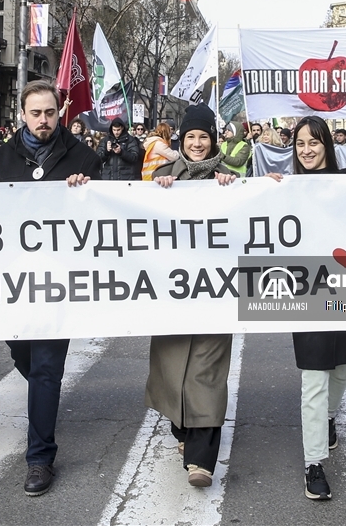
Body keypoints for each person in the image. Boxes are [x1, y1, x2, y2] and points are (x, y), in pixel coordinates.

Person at [0, 80, 101, 497]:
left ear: (60, 112)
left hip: (59, 281)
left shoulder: (84, 158)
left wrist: (88, 192)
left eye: (50, 113)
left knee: (45, 366)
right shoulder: (0, 158)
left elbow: (106, 213)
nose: (43, 120)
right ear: (22, 115)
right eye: (35, 113)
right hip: (14, 280)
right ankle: (45, 394)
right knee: (20, 351)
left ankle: (39, 458)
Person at [264, 116, 346, 501]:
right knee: (315, 377)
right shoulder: (284, 186)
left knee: (341, 367)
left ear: (327, 144)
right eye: (300, 144)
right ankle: (314, 464)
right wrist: (264, 192)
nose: (307, 150)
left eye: (314, 142)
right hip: (305, 289)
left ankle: (327, 419)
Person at [148, 104, 237, 489]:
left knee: (207, 373)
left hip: (217, 292)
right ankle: (183, 432)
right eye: (190, 138)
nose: (197, 144)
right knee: (172, 371)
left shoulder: (231, 178)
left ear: (212, 139)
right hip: (173, 292)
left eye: (203, 137)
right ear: (181, 141)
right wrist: (158, 193)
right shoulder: (163, 175)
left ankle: (201, 460)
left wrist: (238, 190)